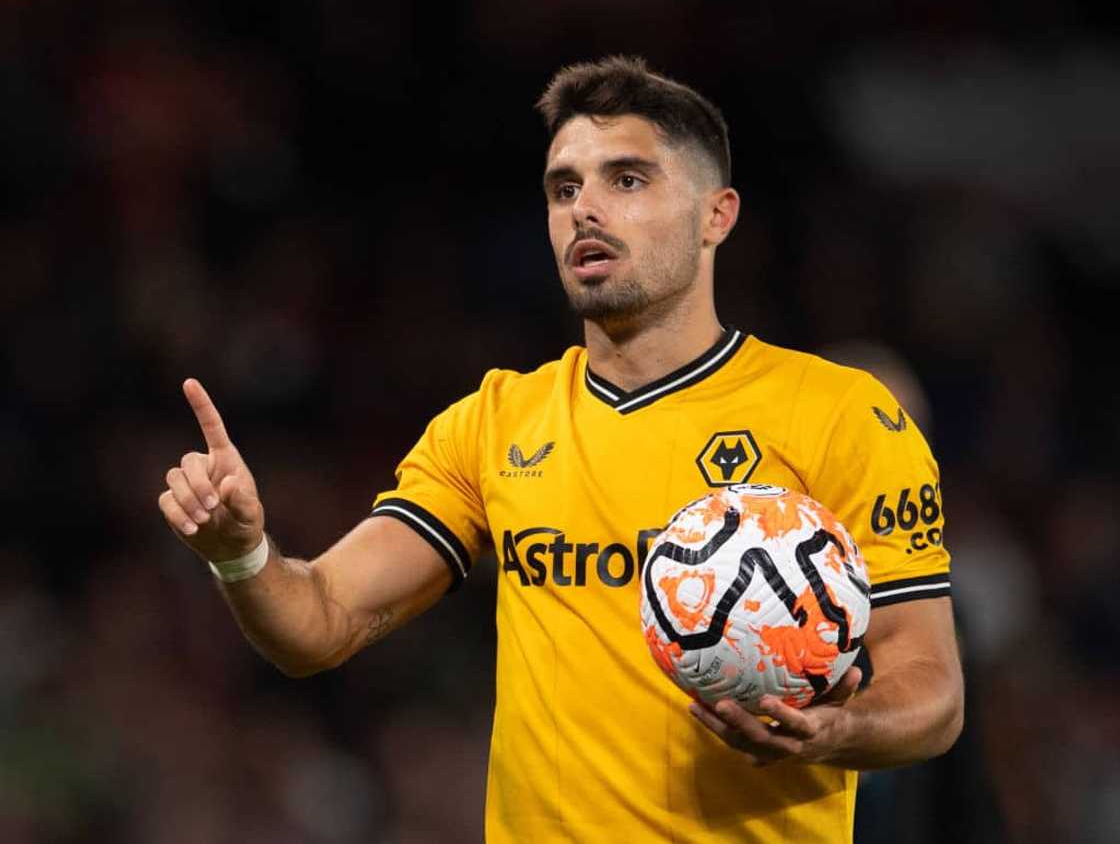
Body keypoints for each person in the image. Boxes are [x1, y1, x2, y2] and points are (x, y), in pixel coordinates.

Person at [158, 57, 963, 843]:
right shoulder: (495, 422)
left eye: (627, 179)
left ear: (716, 215)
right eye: (563, 187)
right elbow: (320, 619)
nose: (584, 209)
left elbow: (931, 691)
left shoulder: (839, 412)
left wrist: (832, 729)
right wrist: (242, 554)